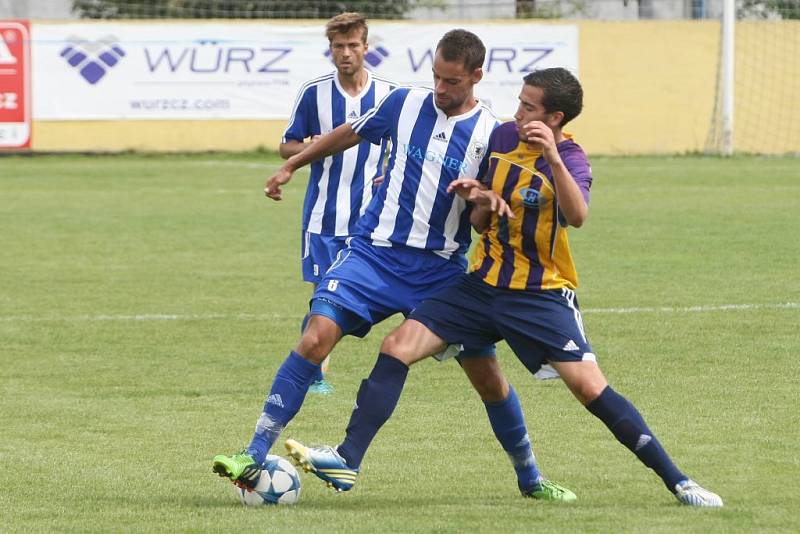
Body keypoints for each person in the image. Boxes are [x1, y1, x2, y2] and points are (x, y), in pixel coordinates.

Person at [284, 68, 724, 508]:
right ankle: (347, 458)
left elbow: (577, 215)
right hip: (481, 286)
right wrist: (478, 197)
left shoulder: (571, 158)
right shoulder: (500, 139)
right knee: (398, 346)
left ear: (555, 118)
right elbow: (479, 220)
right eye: (519, 102)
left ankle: (680, 482)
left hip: (539, 295)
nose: (517, 113)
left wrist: (551, 157)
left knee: (590, 390)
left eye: (529, 107)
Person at [213, 30, 575, 502]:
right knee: (315, 335)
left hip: (441, 271)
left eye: (453, 81)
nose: (441, 89)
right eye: (437, 77)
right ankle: (253, 452)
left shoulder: (492, 134)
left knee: (486, 376)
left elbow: (497, 204)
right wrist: (292, 165)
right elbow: (347, 134)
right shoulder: (403, 104)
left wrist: (486, 201)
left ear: (477, 77)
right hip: (373, 255)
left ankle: (530, 477)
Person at [280, 13, 395, 395]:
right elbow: (287, 145)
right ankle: (313, 374)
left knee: (366, 296)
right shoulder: (315, 93)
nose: (345, 54)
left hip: (373, 221)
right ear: (330, 50)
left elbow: (403, 147)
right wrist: (314, 144)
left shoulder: (389, 96)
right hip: (323, 217)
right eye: (338, 47)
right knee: (323, 298)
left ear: (366, 48)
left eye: (352, 46)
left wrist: (390, 172)